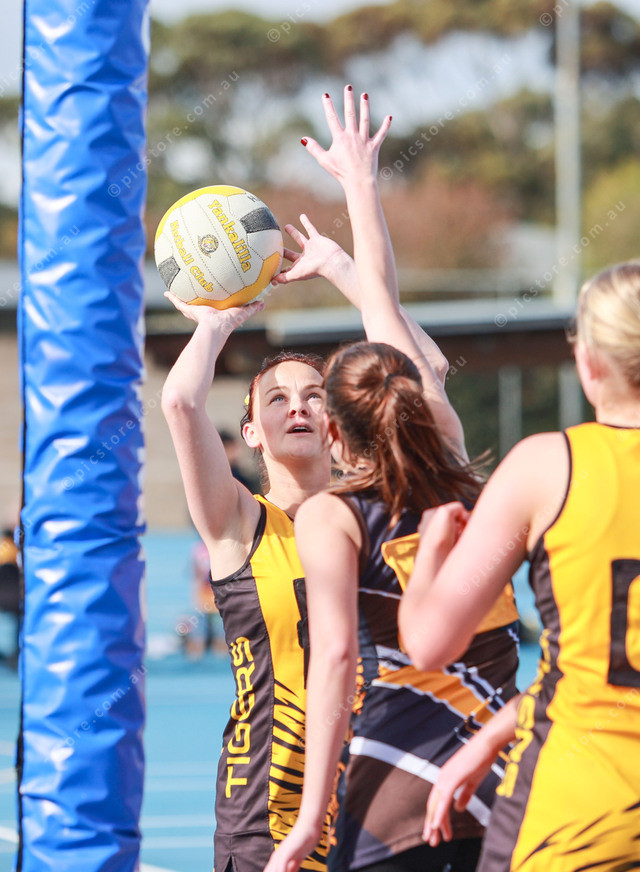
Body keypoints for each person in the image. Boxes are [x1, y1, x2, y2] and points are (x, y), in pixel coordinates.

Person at [161, 86, 457, 872]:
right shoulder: (237, 524)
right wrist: (219, 317)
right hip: (267, 807)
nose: (297, 406)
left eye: (314, 396)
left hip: (375, 796)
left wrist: (343, 268)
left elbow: (423, 372)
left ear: (336, 422)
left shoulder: (371, 506)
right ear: (252, 431)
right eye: (276, 399)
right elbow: (181, 401)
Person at [264, 89, 520, 872]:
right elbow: (389, 322)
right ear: (412, 396)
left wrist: (309, 818)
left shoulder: (333, 517)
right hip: (504, 780)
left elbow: (336, 659)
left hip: (397, 790)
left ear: (333, 432)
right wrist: (359, 189)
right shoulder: (460, 472)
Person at [398, 261, 640, 871]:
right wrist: (493, 735)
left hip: (576, 816)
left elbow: (428, 642)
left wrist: (430, 553)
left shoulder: (548, 466)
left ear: (589, 363)